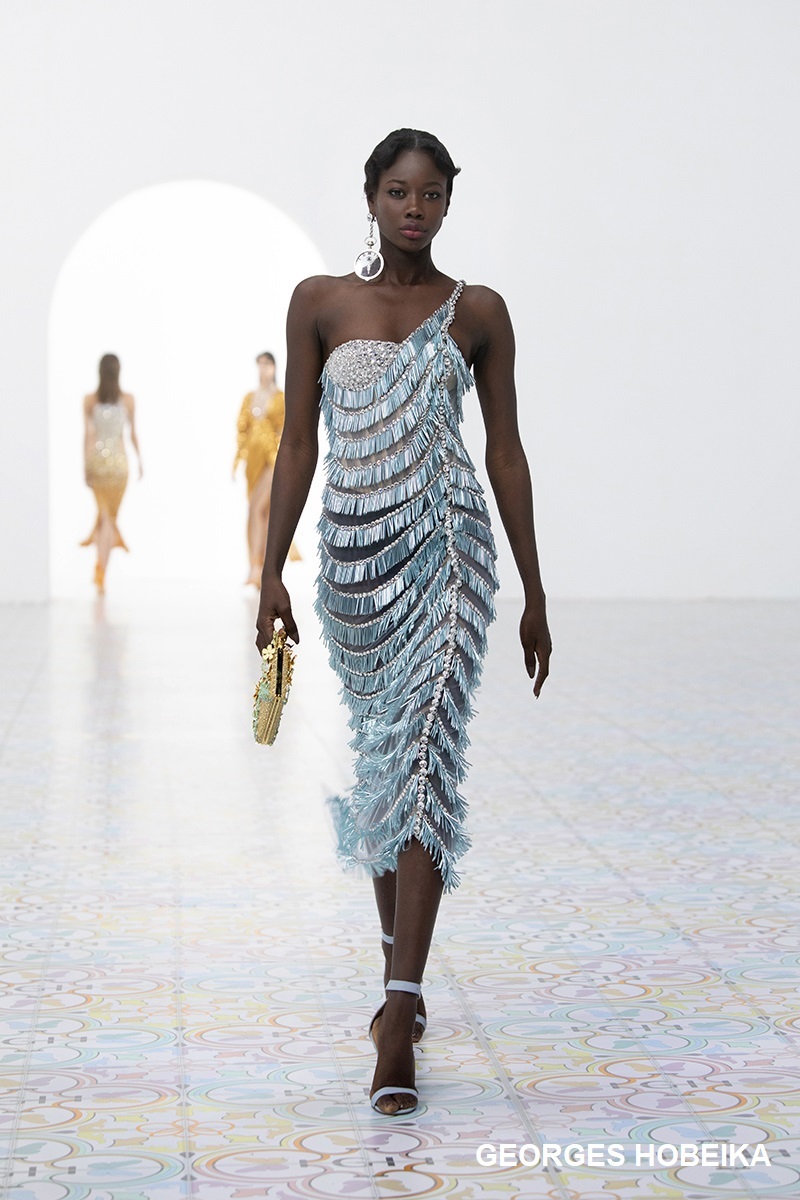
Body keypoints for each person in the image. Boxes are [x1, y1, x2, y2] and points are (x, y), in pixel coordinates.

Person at [256, 128, 552, 1116]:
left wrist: (534, 589)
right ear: (371, 196)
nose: (413, 209)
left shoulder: (479, 312)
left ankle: (396, 1013)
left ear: (448, 203)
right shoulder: (318, 302)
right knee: (387, 764)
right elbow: (296, 445)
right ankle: (400, 972)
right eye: (397, 192)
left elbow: (504, 452)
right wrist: (269, 574)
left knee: (424, 757)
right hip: (354, 570)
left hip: (450, 555)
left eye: (429, 194)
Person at [233, 352, 300, 586]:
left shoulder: (280, 397)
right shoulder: (249, 397)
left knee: (257, 508)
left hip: (272, 459)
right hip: (252, 461)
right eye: (260, 364)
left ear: (274, 367)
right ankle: (259, 567)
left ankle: (257, 567)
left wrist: (283, 459)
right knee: (260, 512)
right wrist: (237, 459)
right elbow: (241, 429)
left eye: (267, 364)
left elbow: (284, 428)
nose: (263, 369)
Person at [80, 354, 142, 594]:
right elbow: (132, 434)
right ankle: (102, 568)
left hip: (98, 464)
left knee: (105, 516)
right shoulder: (128, 400)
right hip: (119, 466)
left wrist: (86, 465)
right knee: (108, 518)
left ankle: (100, 567)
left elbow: (88, 436)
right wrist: (140, 460)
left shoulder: (90, 400)